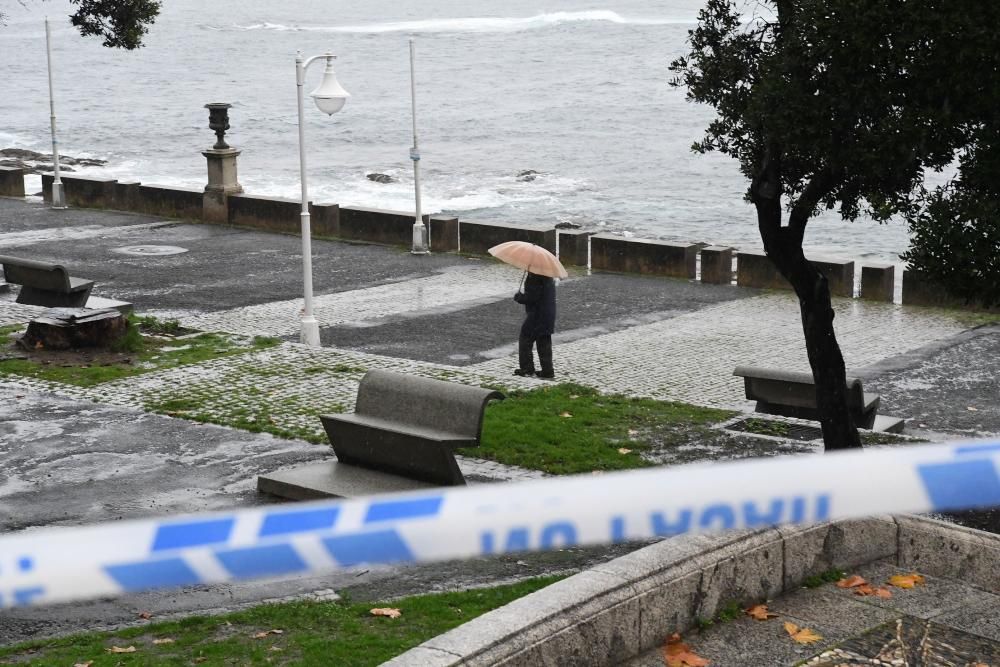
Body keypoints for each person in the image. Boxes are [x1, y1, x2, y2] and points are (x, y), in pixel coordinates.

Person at [513, 271, 556, 378]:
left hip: (536, 315)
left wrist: (519, 297)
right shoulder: (547, 275)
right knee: (543, 341)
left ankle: (527, 368)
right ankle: (547, 371)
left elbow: (532, 297)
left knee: (525, 339)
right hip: (548, 313)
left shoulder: (535, 276)